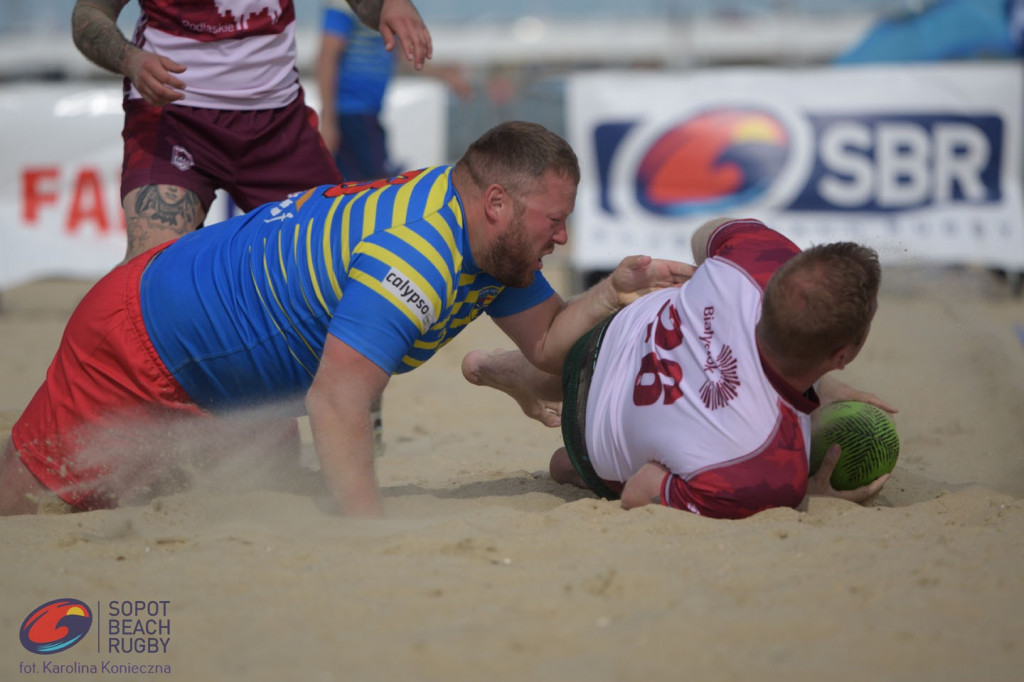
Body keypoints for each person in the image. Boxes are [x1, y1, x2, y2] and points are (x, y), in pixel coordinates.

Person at [0, 121, 694, 518]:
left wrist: (610, 293)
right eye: (555, 221)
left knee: (200, 503)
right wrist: (367, 534)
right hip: (136, 340)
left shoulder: (490, 246)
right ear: (496, 203)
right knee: (26, 500)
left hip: (223, 379)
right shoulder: (420, 253)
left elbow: (546, 344)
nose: (564, 239)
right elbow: (337, 402)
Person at [461, 216, 896, 520]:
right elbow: (639, 494)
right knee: (648, 459)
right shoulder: (769, 471)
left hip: (612, 334)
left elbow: (704, 236)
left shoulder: (762, 257)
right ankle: (569, 468)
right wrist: (801, 495)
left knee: (607, 366)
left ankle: (500, 367)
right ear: (842, 354)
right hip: (588, 442)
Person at [70, 0, 433, 262]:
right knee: (152, 267)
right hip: (173, 114)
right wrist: (130, 59)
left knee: (339, 268)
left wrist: (389, 4)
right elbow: (90, 12)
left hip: (277, 120)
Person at [316, 0, 471, 181]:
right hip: (350, 113)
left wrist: (446, 75)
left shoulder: (388, 7)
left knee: (367, 184)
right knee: (370, 186)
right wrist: (328, 121)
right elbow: (327, 58)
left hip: (369, 113)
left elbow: (404, 56)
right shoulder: (342, 5)